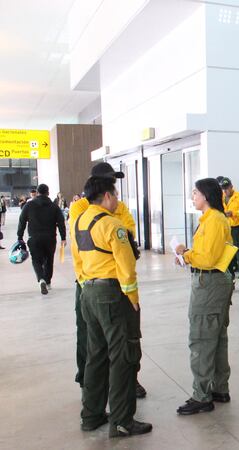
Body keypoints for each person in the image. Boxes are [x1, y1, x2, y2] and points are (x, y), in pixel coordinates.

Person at [70, 176, 151, 438]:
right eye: (115, 196)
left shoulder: (79, 221)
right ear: (106, 196)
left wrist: (86, 286)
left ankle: (91, 415)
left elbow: (77, 260)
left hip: (88, 293)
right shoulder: (112, 225)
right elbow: (127, 268)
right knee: (122, 357)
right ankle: (122, 420)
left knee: (96, 355)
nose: (117, 200)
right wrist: (133, 299)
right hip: (112, 294)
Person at [174, 178, 235, 415]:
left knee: (201, 337)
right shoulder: (211, 219)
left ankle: (202, 395)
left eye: (195, 193)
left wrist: (185, 254)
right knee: (216, 337)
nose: (193, 197)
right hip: (211, 281)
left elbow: (208, 258)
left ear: (206, 196)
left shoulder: (214, 221)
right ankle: (219, 388)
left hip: (209, 284)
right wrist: (187, 256)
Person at [17, 183, 66, 294]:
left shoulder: (28, 205)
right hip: (50, 238)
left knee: (36, 260)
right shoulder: (54, 206)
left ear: (37, 193)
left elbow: (22, 221)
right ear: (48, 193)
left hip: (34, 238)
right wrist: (63, 237)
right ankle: (48, 282)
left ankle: (41, 279)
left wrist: (19, 236)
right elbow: (61, 222)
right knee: (49, 260)